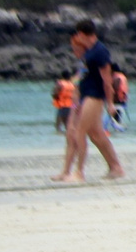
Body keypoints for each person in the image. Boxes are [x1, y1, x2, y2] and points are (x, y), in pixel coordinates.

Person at [54, 20, 126, 184]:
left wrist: (110, 103)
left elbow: (107, 79)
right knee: (96, 135)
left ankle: (79, 173)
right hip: (86, 95)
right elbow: (83, 76)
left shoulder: (100, 51)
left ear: (81, 33)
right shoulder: (89, 52)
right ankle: (116, 168)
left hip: (95, 96)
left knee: (80, 132)